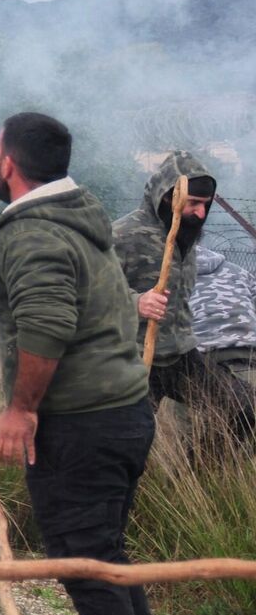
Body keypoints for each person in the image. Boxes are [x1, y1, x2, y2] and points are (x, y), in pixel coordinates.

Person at [0, 112, 172, 615]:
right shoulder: (77, 213)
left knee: (83, 560)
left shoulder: (32, 234)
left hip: (82, 423)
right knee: (106, 553)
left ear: (8, 163)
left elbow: (50, 324)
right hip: (124, 413)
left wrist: (20, 410)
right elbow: (77, 299)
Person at [112, 152, 256, 443]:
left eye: (206, 204)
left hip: (181, 355)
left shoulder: (187, 236)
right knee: (126, 446)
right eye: (193, 203)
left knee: (245, 410)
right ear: (168, 197)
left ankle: (201, 476)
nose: (201, 214)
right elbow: (87, 294)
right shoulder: (121, 236)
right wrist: (135, 303)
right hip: (132, 358)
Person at [192, 244, 256, 394]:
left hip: (200, 360)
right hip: (249, 353)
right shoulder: (239, 271)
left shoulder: (163, 277)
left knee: (177, 412)